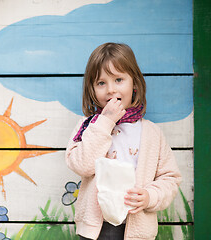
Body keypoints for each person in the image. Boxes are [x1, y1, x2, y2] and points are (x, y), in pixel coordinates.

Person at [65, 42, 182, 240]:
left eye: (118, 79)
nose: (110, 90)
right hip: (96, 227)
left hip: (136, 228)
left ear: (134, 83)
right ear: (92, 89)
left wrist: (149, 197)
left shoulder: (152, 133)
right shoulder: (89, 126)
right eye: (101, 83)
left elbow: (170, 178)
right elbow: (81, 165)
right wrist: (106, 122)